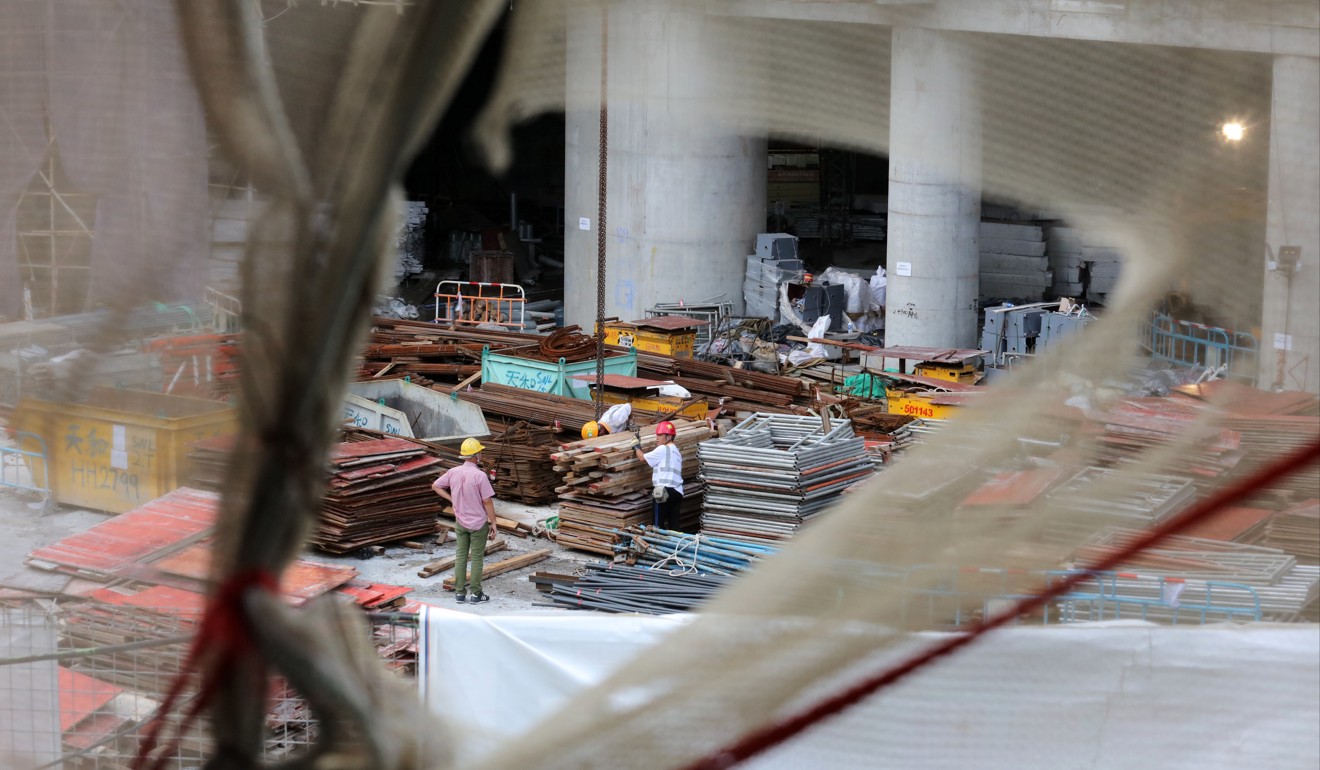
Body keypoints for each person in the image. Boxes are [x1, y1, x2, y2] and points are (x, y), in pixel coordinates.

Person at [432, 437, 499, 604]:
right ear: (475, 455)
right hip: (478, 524)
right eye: (480, 452)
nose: (482, 454)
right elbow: (487, 501)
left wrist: (452, 499)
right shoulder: (480, 476)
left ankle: (460, 593)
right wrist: (494, 522)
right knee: (476, 558)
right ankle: (476, 594)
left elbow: (436, 486)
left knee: (461, 556)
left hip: (460, 522)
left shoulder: (453, 472)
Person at [633, 420, 683, 531]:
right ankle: (676, 547)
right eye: (657, 435)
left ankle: (658, 546)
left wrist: (636, 447)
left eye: (660, 435)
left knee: (657, 526)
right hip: (678, 493)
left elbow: (642, 458)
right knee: (674, 526)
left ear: (669, 437)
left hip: (663, 492)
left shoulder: (663, 449)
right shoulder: (677, 453)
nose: (657, 438)